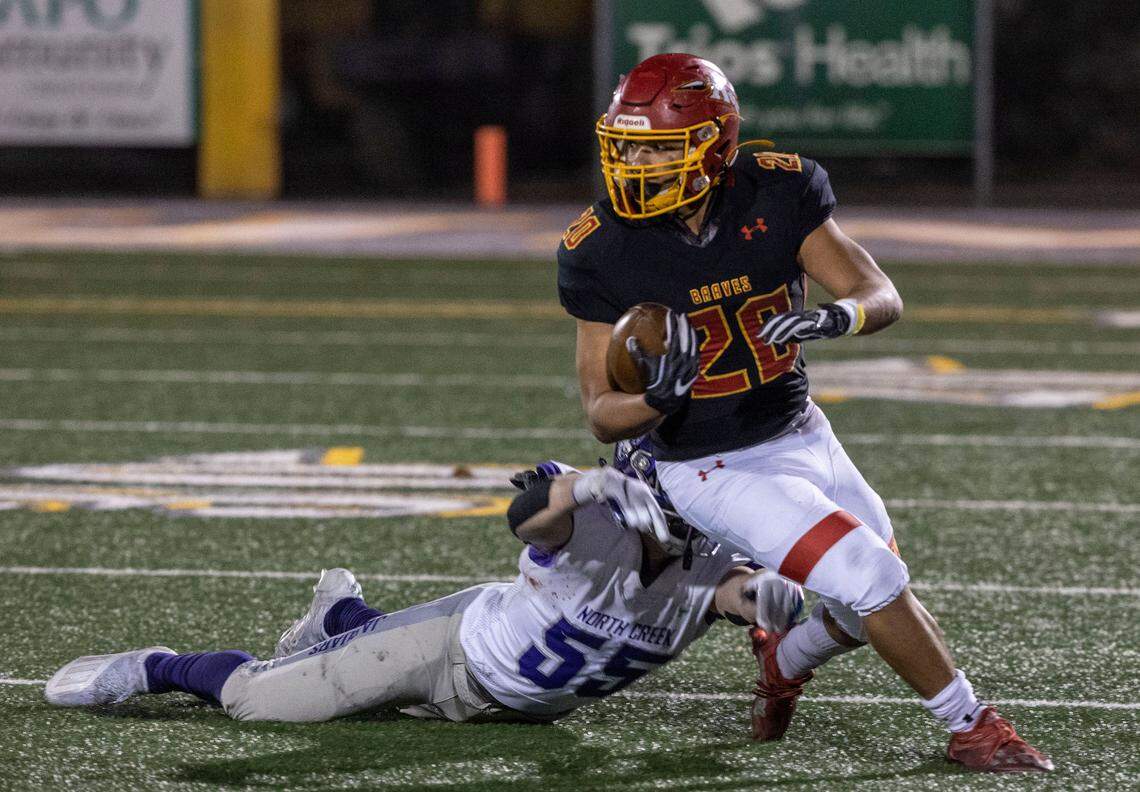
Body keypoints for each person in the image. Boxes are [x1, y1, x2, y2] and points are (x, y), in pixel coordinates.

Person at [556, 52, 1053, 772]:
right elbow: (601, 414)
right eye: (625, 145)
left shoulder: (777, 192)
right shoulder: (601, 248)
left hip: (803, 429)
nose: (633, 163)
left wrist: (840, 318)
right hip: (708, 465)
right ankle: (973, 727)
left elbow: (879, 290)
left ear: (714, 144)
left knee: (866, 605)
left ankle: (783, 660)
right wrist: (658, 398)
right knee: (871, 578)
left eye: (655, 148)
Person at [44, 460, 803, 725]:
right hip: (450, 648)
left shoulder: (710, 567)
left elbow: (743, 594)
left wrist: (778, 598)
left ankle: (340, 617)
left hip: (510, 709)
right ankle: (157, 667)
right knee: (257, 703)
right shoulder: (592, 519)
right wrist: (588, 484)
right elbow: (525, 515)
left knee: (368, 693)